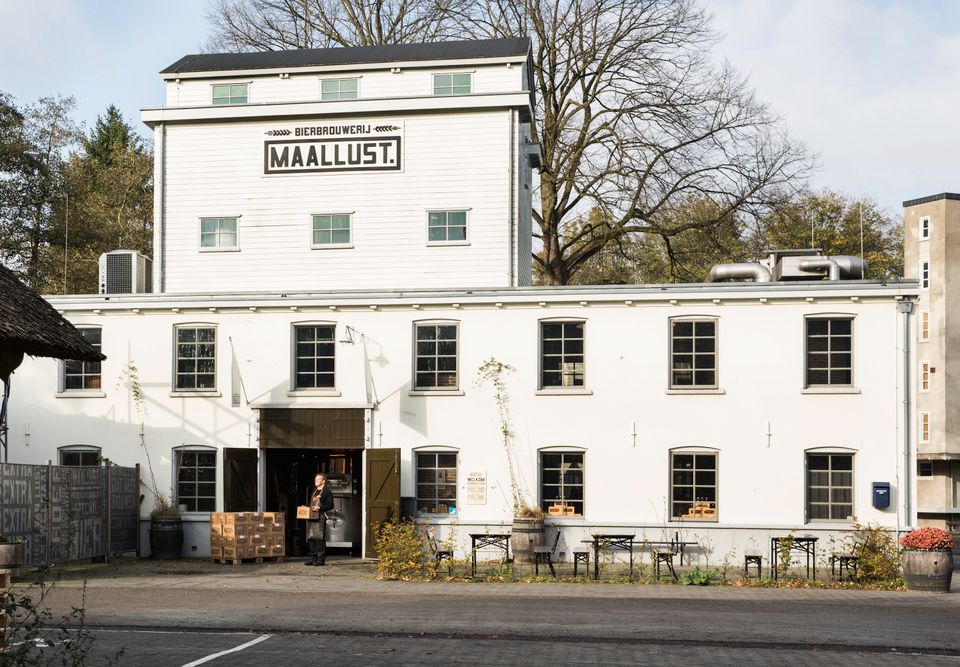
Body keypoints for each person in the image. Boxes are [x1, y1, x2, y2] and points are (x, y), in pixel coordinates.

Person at [305, 473, 334, 566]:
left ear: (323, 481)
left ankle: (321, 560)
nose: (315, 480)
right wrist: (305, 508)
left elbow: (331, 505)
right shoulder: (314, 490)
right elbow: (312, 504)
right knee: (310, 537)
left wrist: (320, 508)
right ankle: (313, 559)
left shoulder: (327, 492)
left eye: (318, 479)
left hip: (321, 517)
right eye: (315, 479)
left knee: (319, 538)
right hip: (311, 516)